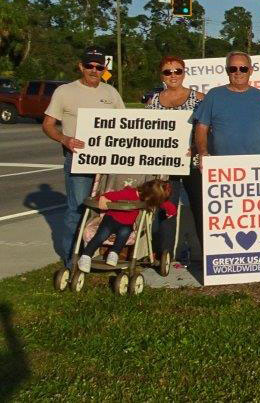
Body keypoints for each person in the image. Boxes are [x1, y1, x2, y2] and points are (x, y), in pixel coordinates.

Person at [42, 46, 126, 269]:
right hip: (78, 161)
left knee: (106, 209)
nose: (94, 70)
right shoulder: (65, 91)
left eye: (99, 67)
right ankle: (72, 259)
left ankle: (94, 252)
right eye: (89, 65)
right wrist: (65, 139)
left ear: (104, 69)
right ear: (81, 66)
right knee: (77, 210)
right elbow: (48, 125)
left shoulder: (111, 93)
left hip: (108, 163)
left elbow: (126, 124)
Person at [146, 55, 204, 262]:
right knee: (166, 208)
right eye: (167, 72)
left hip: (193, 162)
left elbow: (210, 127)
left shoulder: (199, 99)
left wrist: (198, 146)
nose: (173, 75)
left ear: (184, 73)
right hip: (166, 164)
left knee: (200, 206)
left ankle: (207, 250)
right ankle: (165, 252)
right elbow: (147, 131)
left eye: (177, 71)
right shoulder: (154, 101)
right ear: (161, 75)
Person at [193, 52, 260, 162]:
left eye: (243, 68)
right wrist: (203, 152)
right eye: (233, 69)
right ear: (227, 71)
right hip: (222, 166)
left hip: (257, 165)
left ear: (250, 71)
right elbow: (202, 128)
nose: (238, 72)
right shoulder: (213, 95)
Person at [76, 180, 176, 272]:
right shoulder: (128, 193)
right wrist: (103, 199)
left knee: (124, 233)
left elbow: (164, 204)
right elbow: (111, 195)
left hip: (126, 224)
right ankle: (86, 256)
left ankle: (114, 253)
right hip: (111, 219)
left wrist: (171, 211)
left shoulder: (149, 197)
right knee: (102, 235)